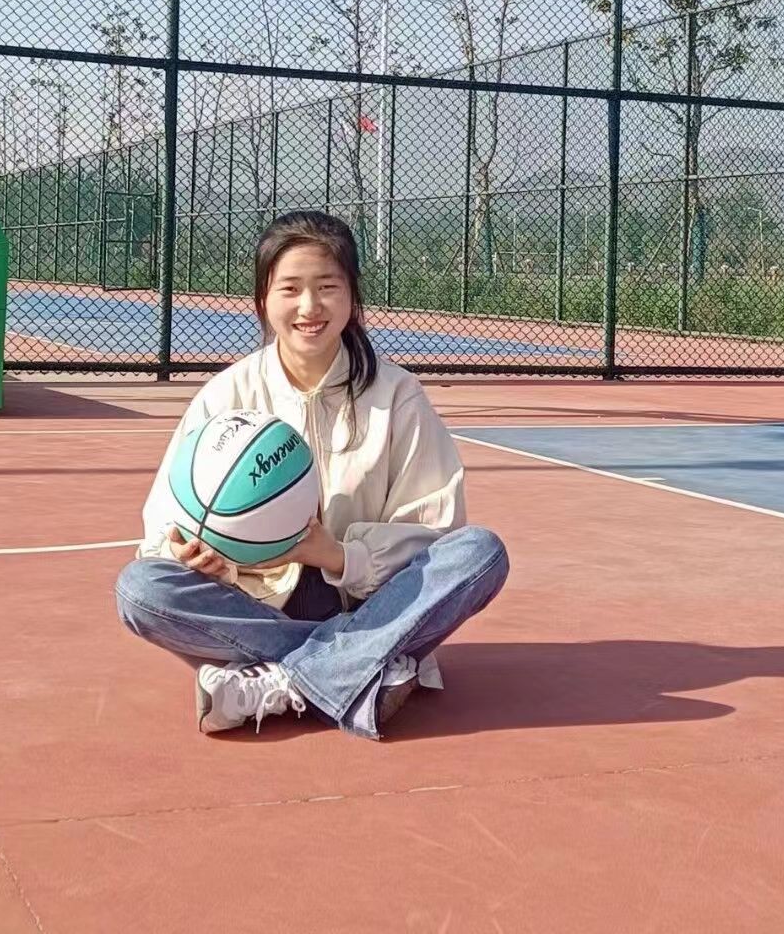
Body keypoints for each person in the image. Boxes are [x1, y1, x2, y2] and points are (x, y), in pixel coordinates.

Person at [115, 210, 508, 739]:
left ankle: (282, 681)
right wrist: (195, 555)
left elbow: (436, 527)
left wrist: (336, 555)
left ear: (352, 296)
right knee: (141, 589)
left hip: (372, 600)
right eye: (290, 289)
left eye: (327, 287)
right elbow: (165, 527)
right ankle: (360, 666)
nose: (309, 307)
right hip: (254, 604)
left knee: (480, 553)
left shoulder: (396, 394)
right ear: (263, 299)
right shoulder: (227, 395)